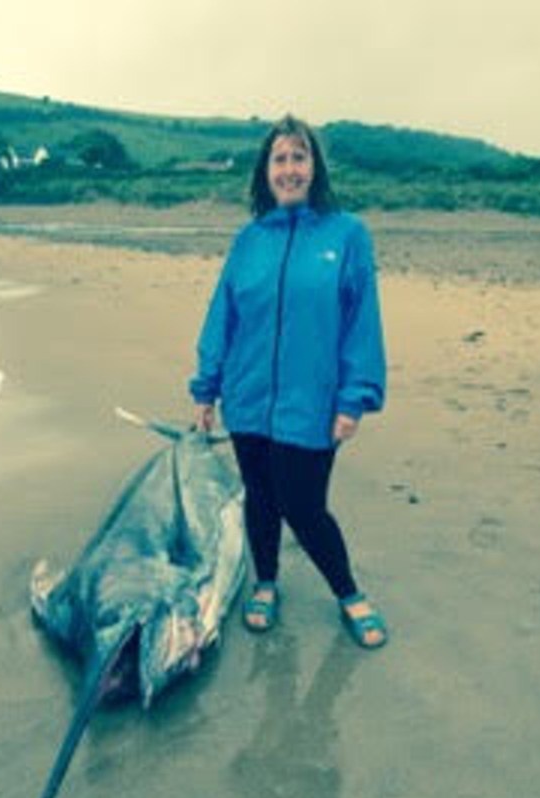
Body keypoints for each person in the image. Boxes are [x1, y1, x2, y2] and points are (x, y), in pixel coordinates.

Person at [189, 115, 388, 649]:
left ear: (314, 167)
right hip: (247, 396)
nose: (290, 168)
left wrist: (355, 398)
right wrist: (206, 388)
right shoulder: (249, 240)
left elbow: (361, 322)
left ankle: (348, 593)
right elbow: (221, 316)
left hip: (313, 404)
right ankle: (267, 582)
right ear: (266, 171)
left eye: (299, 157)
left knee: (303, 505)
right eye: (280, 159)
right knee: (259, 495)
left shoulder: (348, 235)